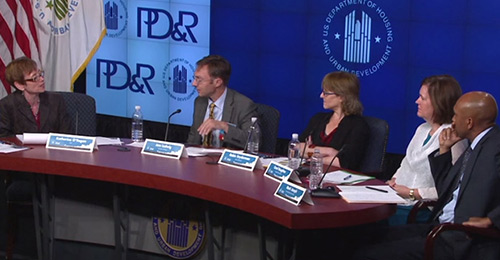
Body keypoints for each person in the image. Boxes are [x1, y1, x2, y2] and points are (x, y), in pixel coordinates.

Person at [353, 91, 500, 260]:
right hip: (439, 226)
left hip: (461, 239)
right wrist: (444, 150)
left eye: (456, 115)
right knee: (364, 237)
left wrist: (492, 220)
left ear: (469, 122)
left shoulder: (495, 148)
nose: (452, 120)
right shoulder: (475, 145)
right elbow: (445, 189)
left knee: (367, 254)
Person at [386, 75, 467, 225]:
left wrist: (411, 193)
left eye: (422, 98)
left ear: (438, 103)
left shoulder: (453, 138)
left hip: (420, 208)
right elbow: (407, 163)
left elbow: (450, 187)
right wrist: (393, 180)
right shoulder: (422, 129)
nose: (417, 101)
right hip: (397, 198)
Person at [299, 71, 369, 171]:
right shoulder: (318, 119)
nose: (321, 96)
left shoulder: (358, 126)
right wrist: (330, 151)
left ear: (342, 97)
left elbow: (344, 162)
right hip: (310, 173)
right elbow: (296, 148)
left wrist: (310, 151)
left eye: (326, 93)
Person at [186, 55, 257, 148]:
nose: (194, 84)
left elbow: (253, 141)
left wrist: (223, 126)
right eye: (195, 78)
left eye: (199, 80)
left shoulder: (243, 105)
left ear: (217, 82)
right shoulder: (200, 102)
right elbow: (193, 138)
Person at [0, 56, 72, 136]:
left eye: (40, 74)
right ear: (20, 85)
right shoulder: (6, 106)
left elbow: (67, 134)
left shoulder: (56, 100)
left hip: (51, 148)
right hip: (22, 148)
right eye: (35, 78)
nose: (42, 79)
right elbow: (5, 138)